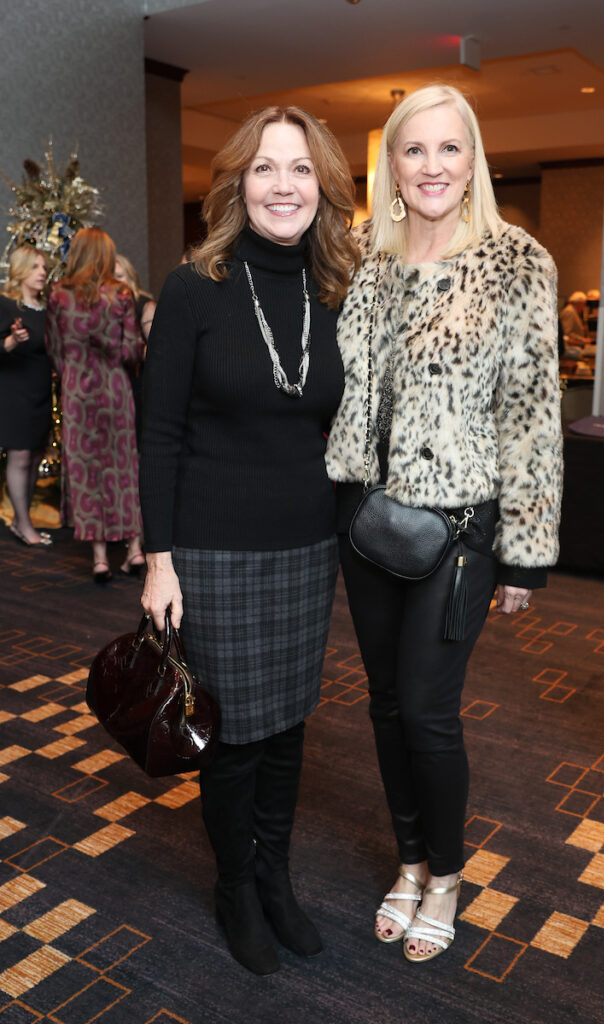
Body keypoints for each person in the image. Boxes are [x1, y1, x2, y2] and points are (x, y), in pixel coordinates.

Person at [325, 84, 563, 964]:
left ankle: (448, 877)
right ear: (391, 164)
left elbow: (531, 413)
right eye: (413, 149)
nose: (431, 166)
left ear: (473, 162)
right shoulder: (361, 256)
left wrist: (525, 551)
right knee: (385, 705)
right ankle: (409, 861)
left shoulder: (516, 259)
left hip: (461, 527)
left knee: (427, 711)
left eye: (448, 148)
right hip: (365, 517)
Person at [138, 106, 359, 976]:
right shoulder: (194, 287)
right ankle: (236, 886)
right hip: (212, 549)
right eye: (265, 168)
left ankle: (275, 877)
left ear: (323, 188)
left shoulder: (336, 291)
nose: (283, 185)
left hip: (306, 545)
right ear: (237, 184)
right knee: (232, 734)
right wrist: (158, 562)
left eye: (300, 169)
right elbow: (158, 434)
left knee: (289, 724)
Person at [45, 228, 145, 581]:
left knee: (86, 471)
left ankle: (100, 559)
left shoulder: (58, 295)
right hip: (114, 390)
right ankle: (134, 551)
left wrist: (74, 370)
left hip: (77, 392)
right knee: (124, 467)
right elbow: (132, 350)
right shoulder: (120, 294)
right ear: (106, 255)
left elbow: (54, 349)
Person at [0, 245, 53, 546]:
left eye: (43, 267)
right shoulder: (6, 305)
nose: (42, 273)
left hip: (41, 393)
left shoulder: (46, 309)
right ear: (20, 271)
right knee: (20, 455)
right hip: (14, 393)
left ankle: (21, 522)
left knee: (34, 456)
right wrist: (11, 341)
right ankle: (24, 524)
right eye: (34, 267)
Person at [114, 254, 156, 448]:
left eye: (120, 276)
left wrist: (134, 350)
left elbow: (158, 349)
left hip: (139, 382)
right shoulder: (105, 309)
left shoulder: (145, 305)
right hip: (115, 382)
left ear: (130, 277)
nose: (116, 283)